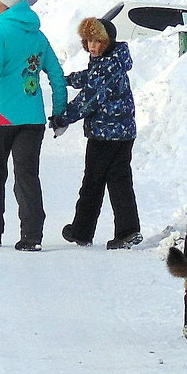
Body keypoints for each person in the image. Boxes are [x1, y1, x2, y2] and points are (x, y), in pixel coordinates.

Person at [0, 0, 67, 252]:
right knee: (27, 176)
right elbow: (57, 75)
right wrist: (59, 113)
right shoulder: (38, 35)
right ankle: (31, 236)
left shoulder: (0, 33)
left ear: (8, 4)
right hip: (32, 119)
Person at [51, 17, 142, 250]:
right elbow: (91, 78)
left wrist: (63, 117)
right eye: (88, 41)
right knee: (119, 181)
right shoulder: (113, 61)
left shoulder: (106, 66)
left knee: (93, 181)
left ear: (108, 41)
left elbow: (89, 99)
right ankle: (128, 231)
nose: (92, 46)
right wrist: (68, 80)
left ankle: (82, 230)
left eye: (97, 41)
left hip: (105, 135)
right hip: (123, 133)